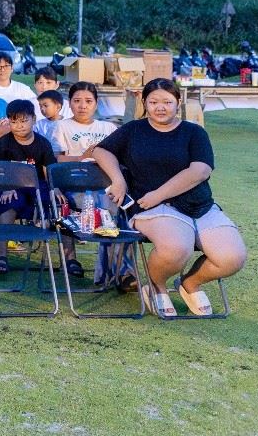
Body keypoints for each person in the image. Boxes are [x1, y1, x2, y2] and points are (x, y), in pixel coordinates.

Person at [89, 79, 246, 318]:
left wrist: (158, 194)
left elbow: (200, 171)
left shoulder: (194, 132)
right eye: (153, 102)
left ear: (178, 103)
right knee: (176, 249)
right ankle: (156, 286)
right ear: (144, 103)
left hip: (199, 205)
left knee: (233, 257)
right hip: (153, 209)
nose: (160, 107)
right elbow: (101, 150)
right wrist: (118, 179)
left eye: (167, 102)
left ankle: (190, 283)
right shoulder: (134, 130)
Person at [52, 82, 128, 285]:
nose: (82, 106)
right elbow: (57, 160)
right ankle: (104, 273)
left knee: (127, 212)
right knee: (107, 210)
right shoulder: (62, 126)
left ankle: (121, 270)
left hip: (107, 185)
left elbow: (120, 158)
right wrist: (82, 157)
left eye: (88, 101)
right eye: (77, 101)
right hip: (77, 187)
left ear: (96, 104)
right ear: (70, 104)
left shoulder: (108, 127)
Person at [0, 99, 57, 273]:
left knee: (55, 202)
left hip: (36, 185)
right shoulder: (4, 143)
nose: (19, 126)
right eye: (14, 121)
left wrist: (54, 189)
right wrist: (7, 186)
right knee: (8, 205)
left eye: (23, 120)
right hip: (9, 185)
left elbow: (47, 171)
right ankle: (1, 255)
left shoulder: (43, 144)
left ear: (33, 119)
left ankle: (70, 258)